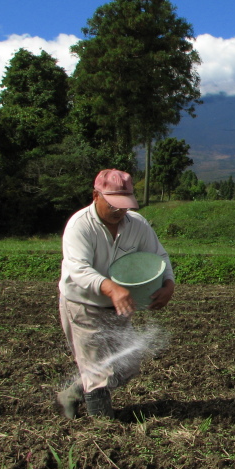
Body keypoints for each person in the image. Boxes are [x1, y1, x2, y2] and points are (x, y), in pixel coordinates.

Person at [56, 169, 175, 419]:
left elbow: (159, 256)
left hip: (119, 305)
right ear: (95, 196)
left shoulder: (137, 224)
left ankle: (72, 393)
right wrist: (110, 287)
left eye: (124, 205)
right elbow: (78, 268)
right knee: (96, 371)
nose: (119, 211)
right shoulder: (80, 226)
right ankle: (101, 429)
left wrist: (168, 284)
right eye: (113, 204)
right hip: (83, 304)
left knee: (128, 364)